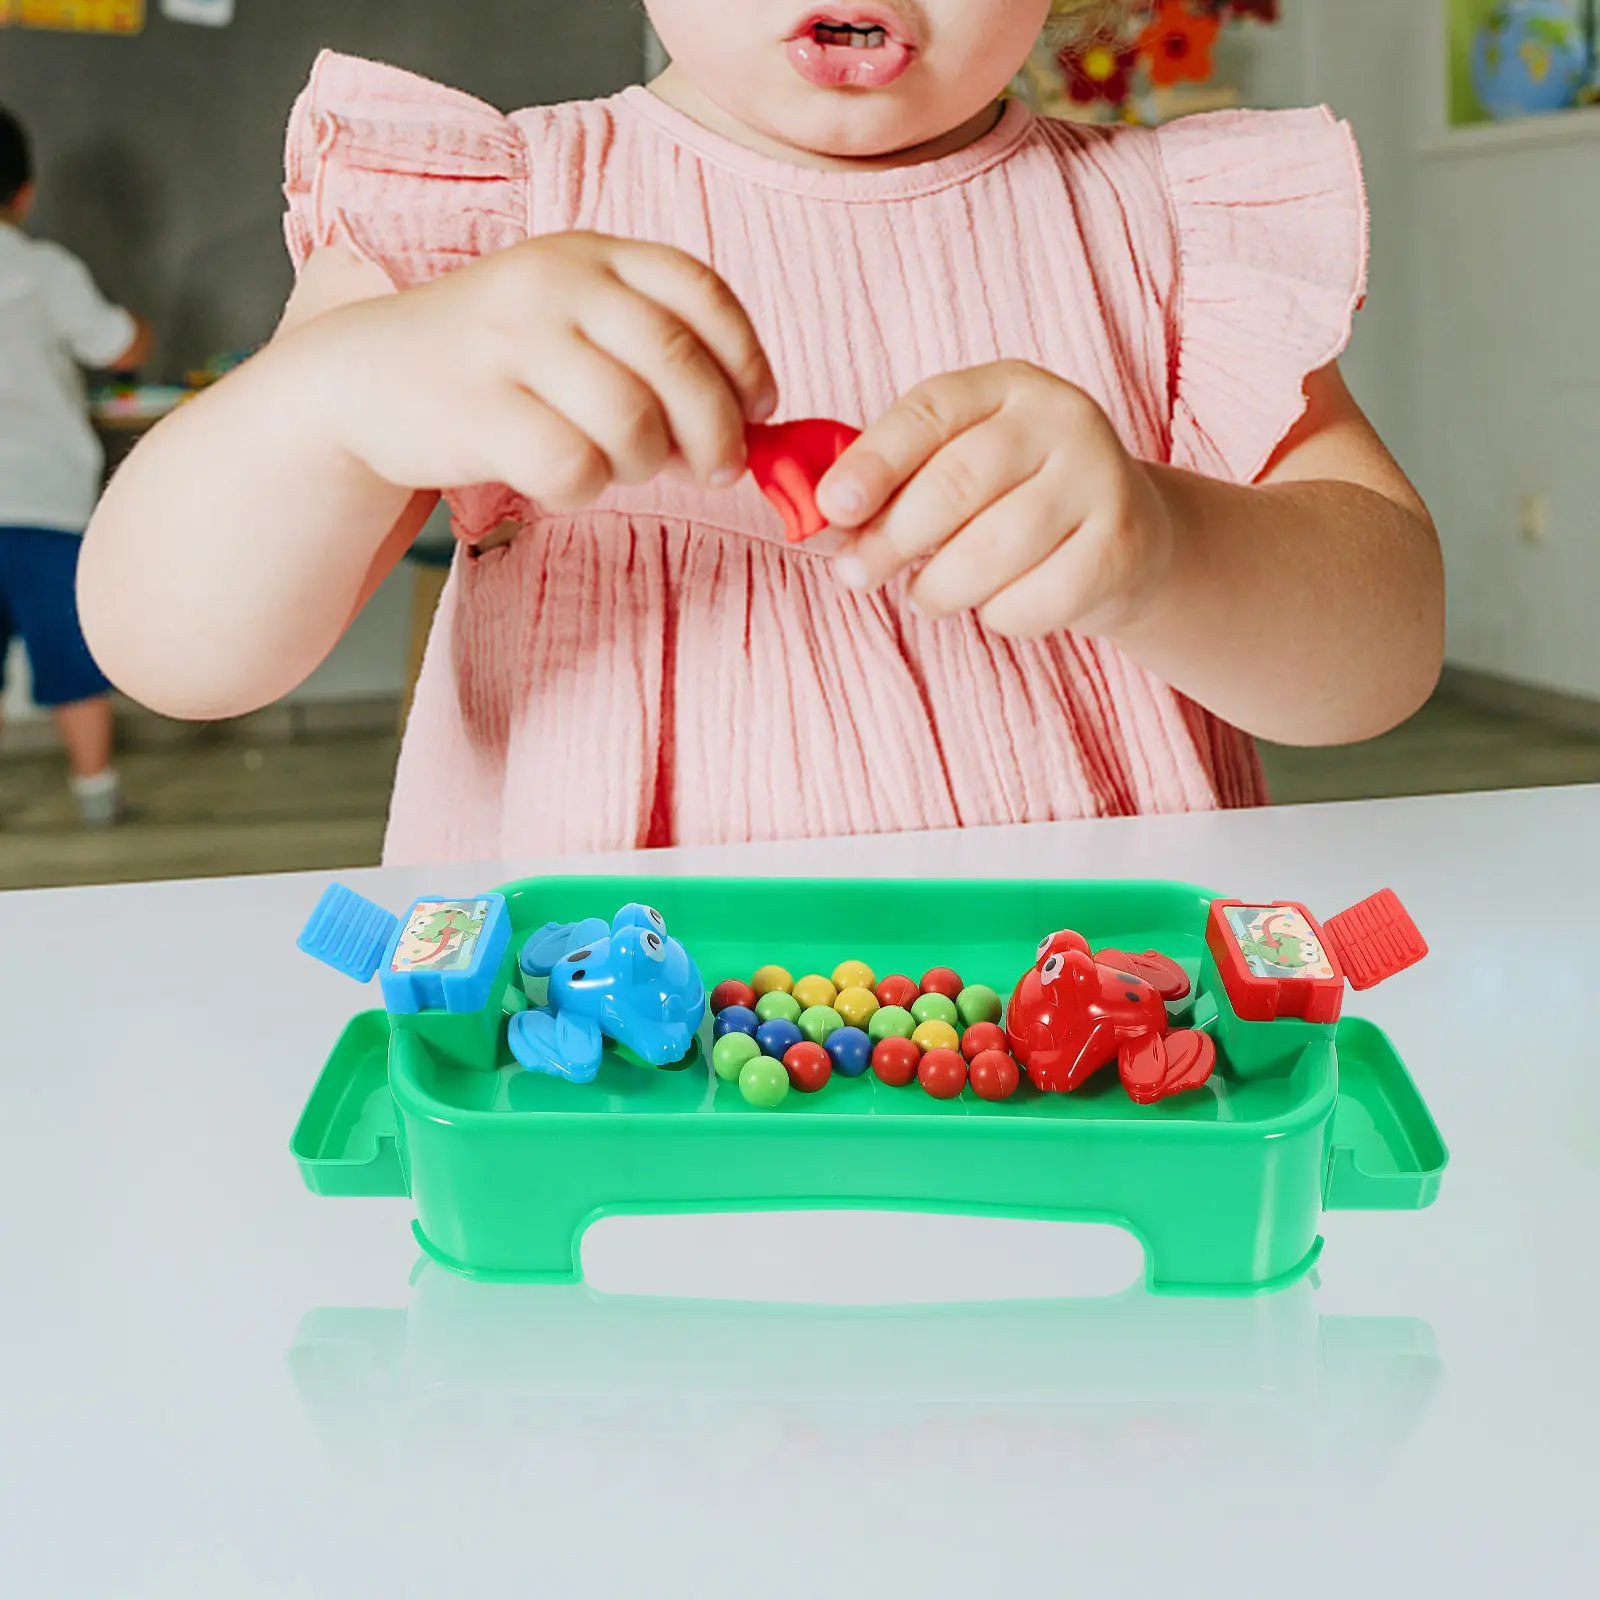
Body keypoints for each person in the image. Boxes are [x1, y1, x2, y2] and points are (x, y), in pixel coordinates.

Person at [78, 1, 1444, 863]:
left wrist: (1168, 546)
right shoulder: (488, 217)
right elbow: (175, 651)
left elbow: (1381, 656)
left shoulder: (1166, 227)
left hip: (1087, 1054)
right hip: (608, 1062)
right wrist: (341, 396)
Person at [1, 105, 149, 826]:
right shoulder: (44, 269)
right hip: (45, 495)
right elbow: (117, 346)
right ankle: (96, 794)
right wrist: (142, 328)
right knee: (69, 652)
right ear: (23, 192)